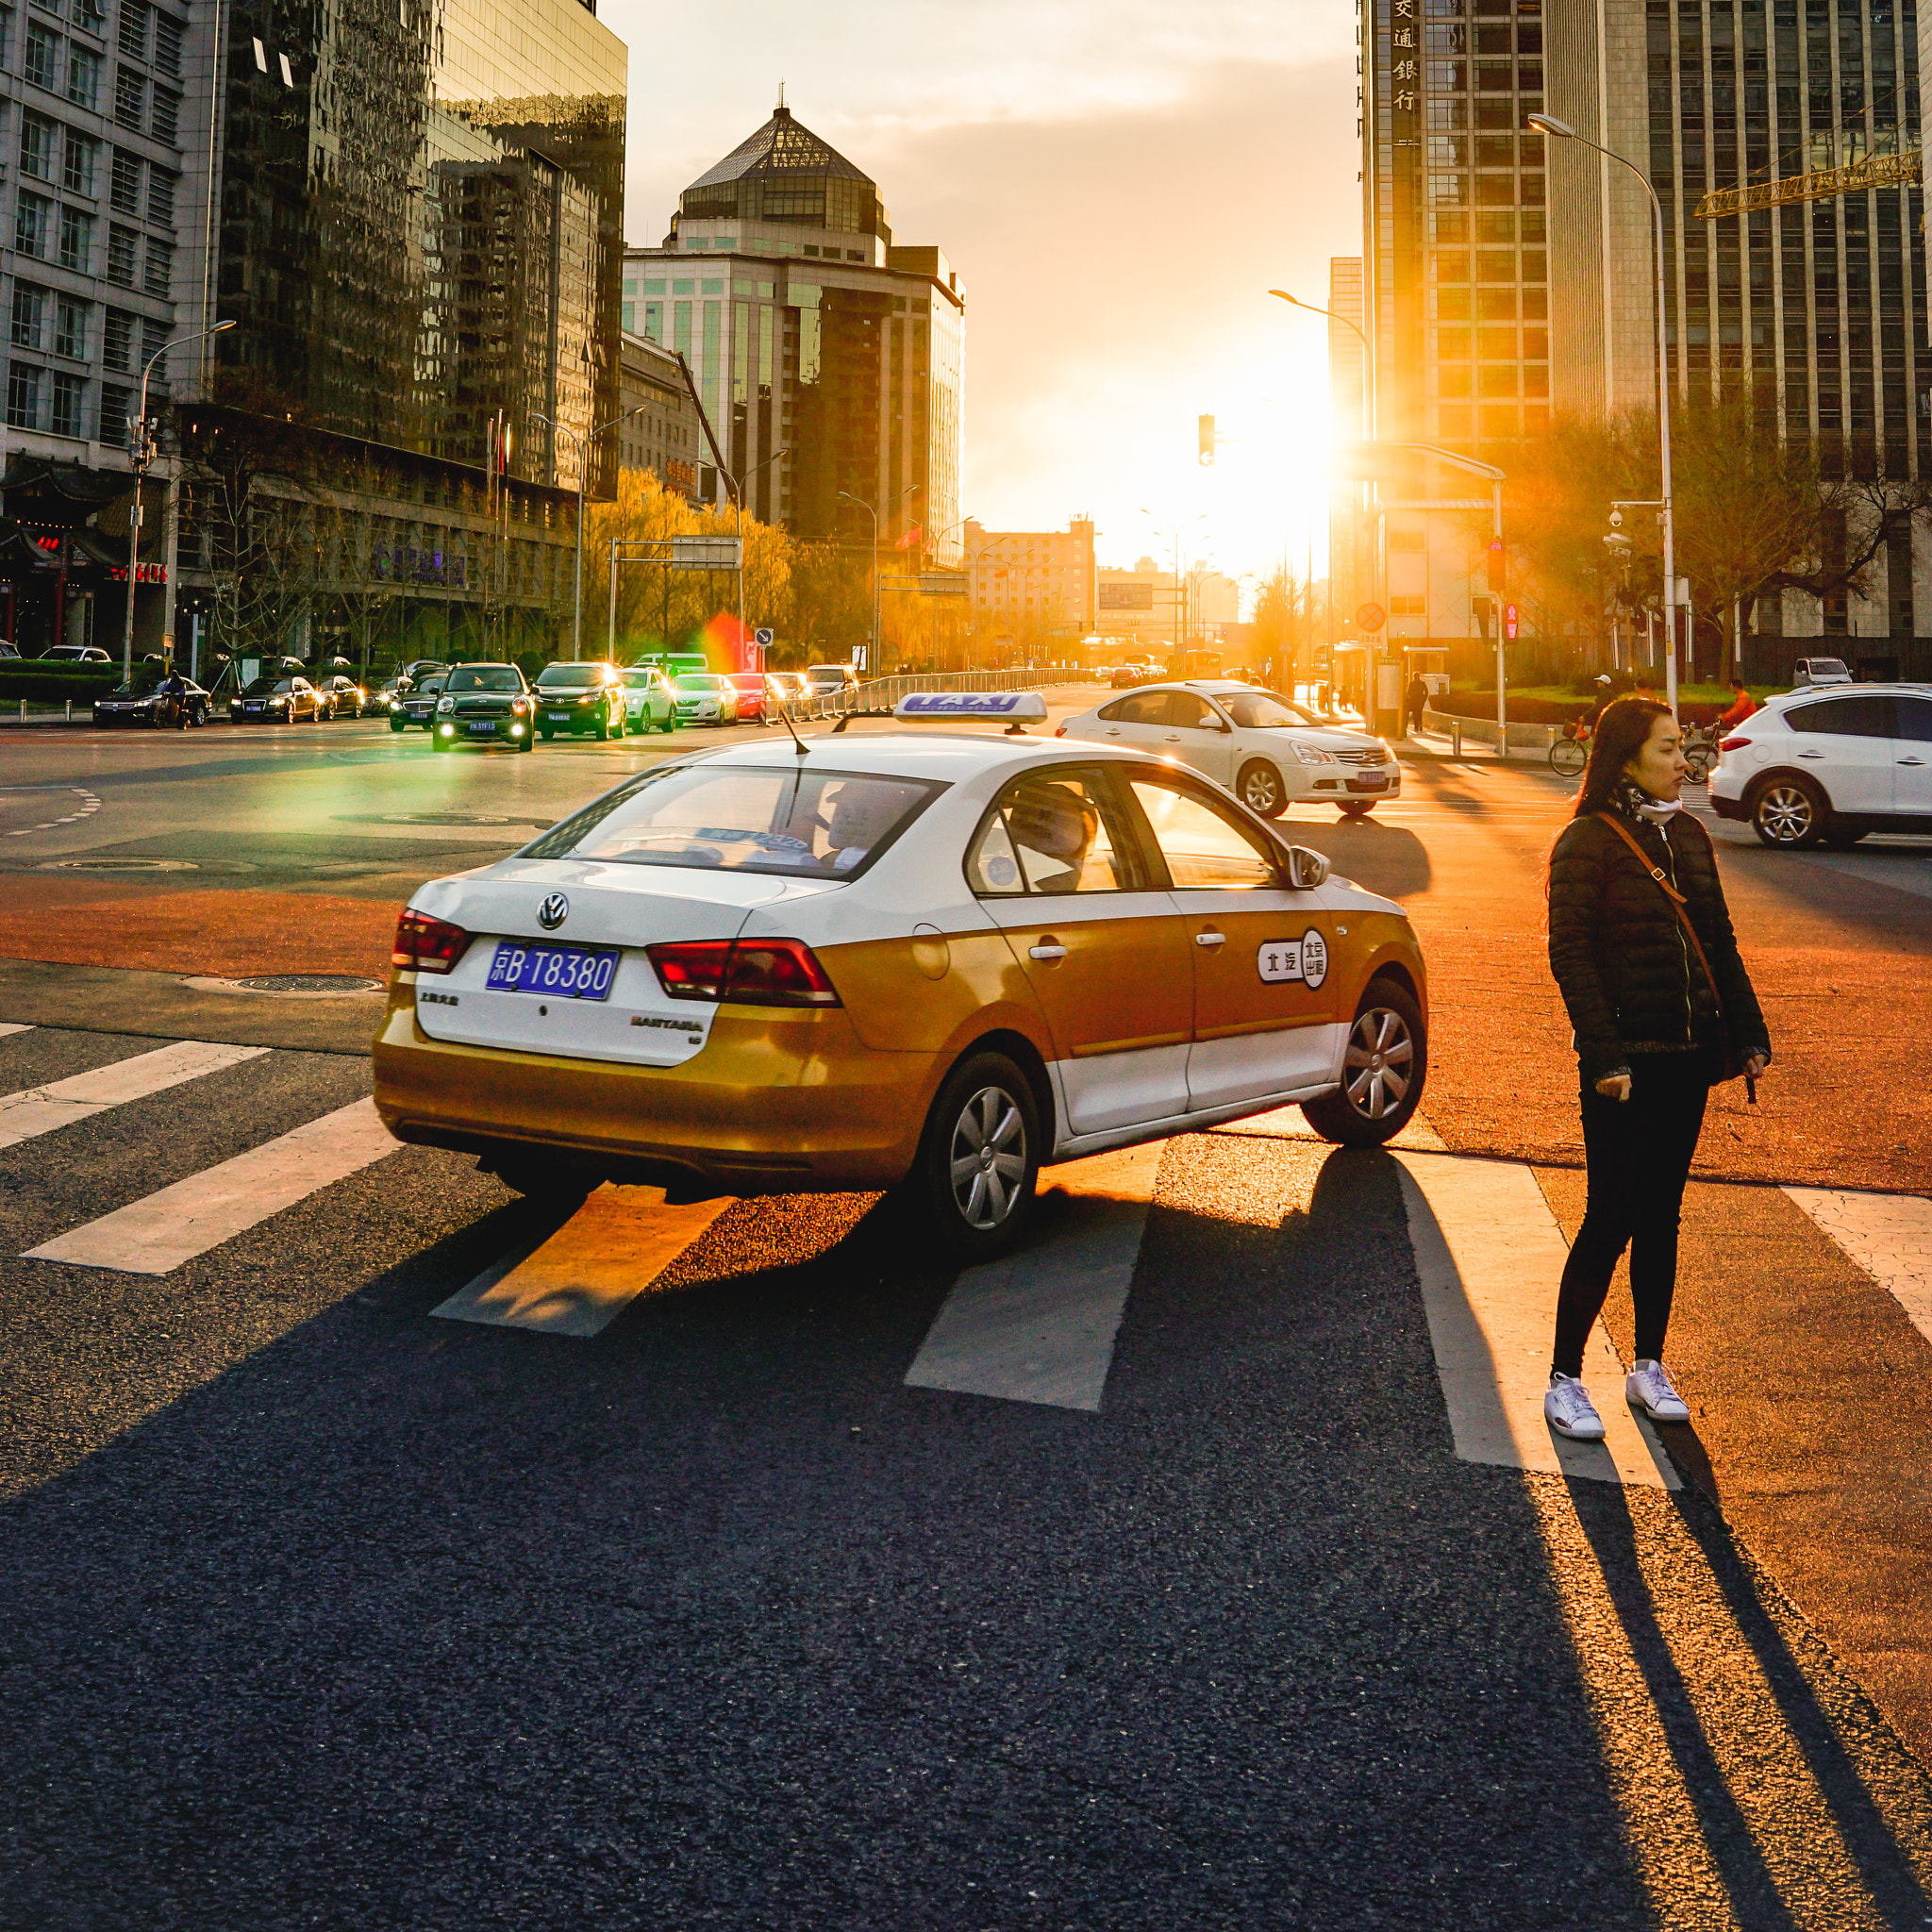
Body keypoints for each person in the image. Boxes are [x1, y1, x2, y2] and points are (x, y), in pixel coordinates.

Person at [1542, 696, 1772, 1441]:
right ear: (1628, 756)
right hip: (1624, 1066)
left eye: (1684, 748)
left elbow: (1719, 940)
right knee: (1610, 1216)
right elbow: (1570, 956)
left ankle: (1648, 1366)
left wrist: (1746, 1035)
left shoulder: (1692, 838)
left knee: (1662, 1216)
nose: (1685, 760)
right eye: (1670, 748)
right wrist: (1604, 1053)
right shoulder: (1588, 841)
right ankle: (1565, 1377)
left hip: (1685, 1058)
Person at [1404, 673, 1429, 737]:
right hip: (1420, 700)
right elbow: (1426, 692)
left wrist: (1409, 698)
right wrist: (1423, 699)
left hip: (1413, 700)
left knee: (1415, 713)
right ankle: (1419, 725)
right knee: (1419, 713)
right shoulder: (1422, 683)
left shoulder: (1412, 683)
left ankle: (1416, 726)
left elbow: (1408, 692)